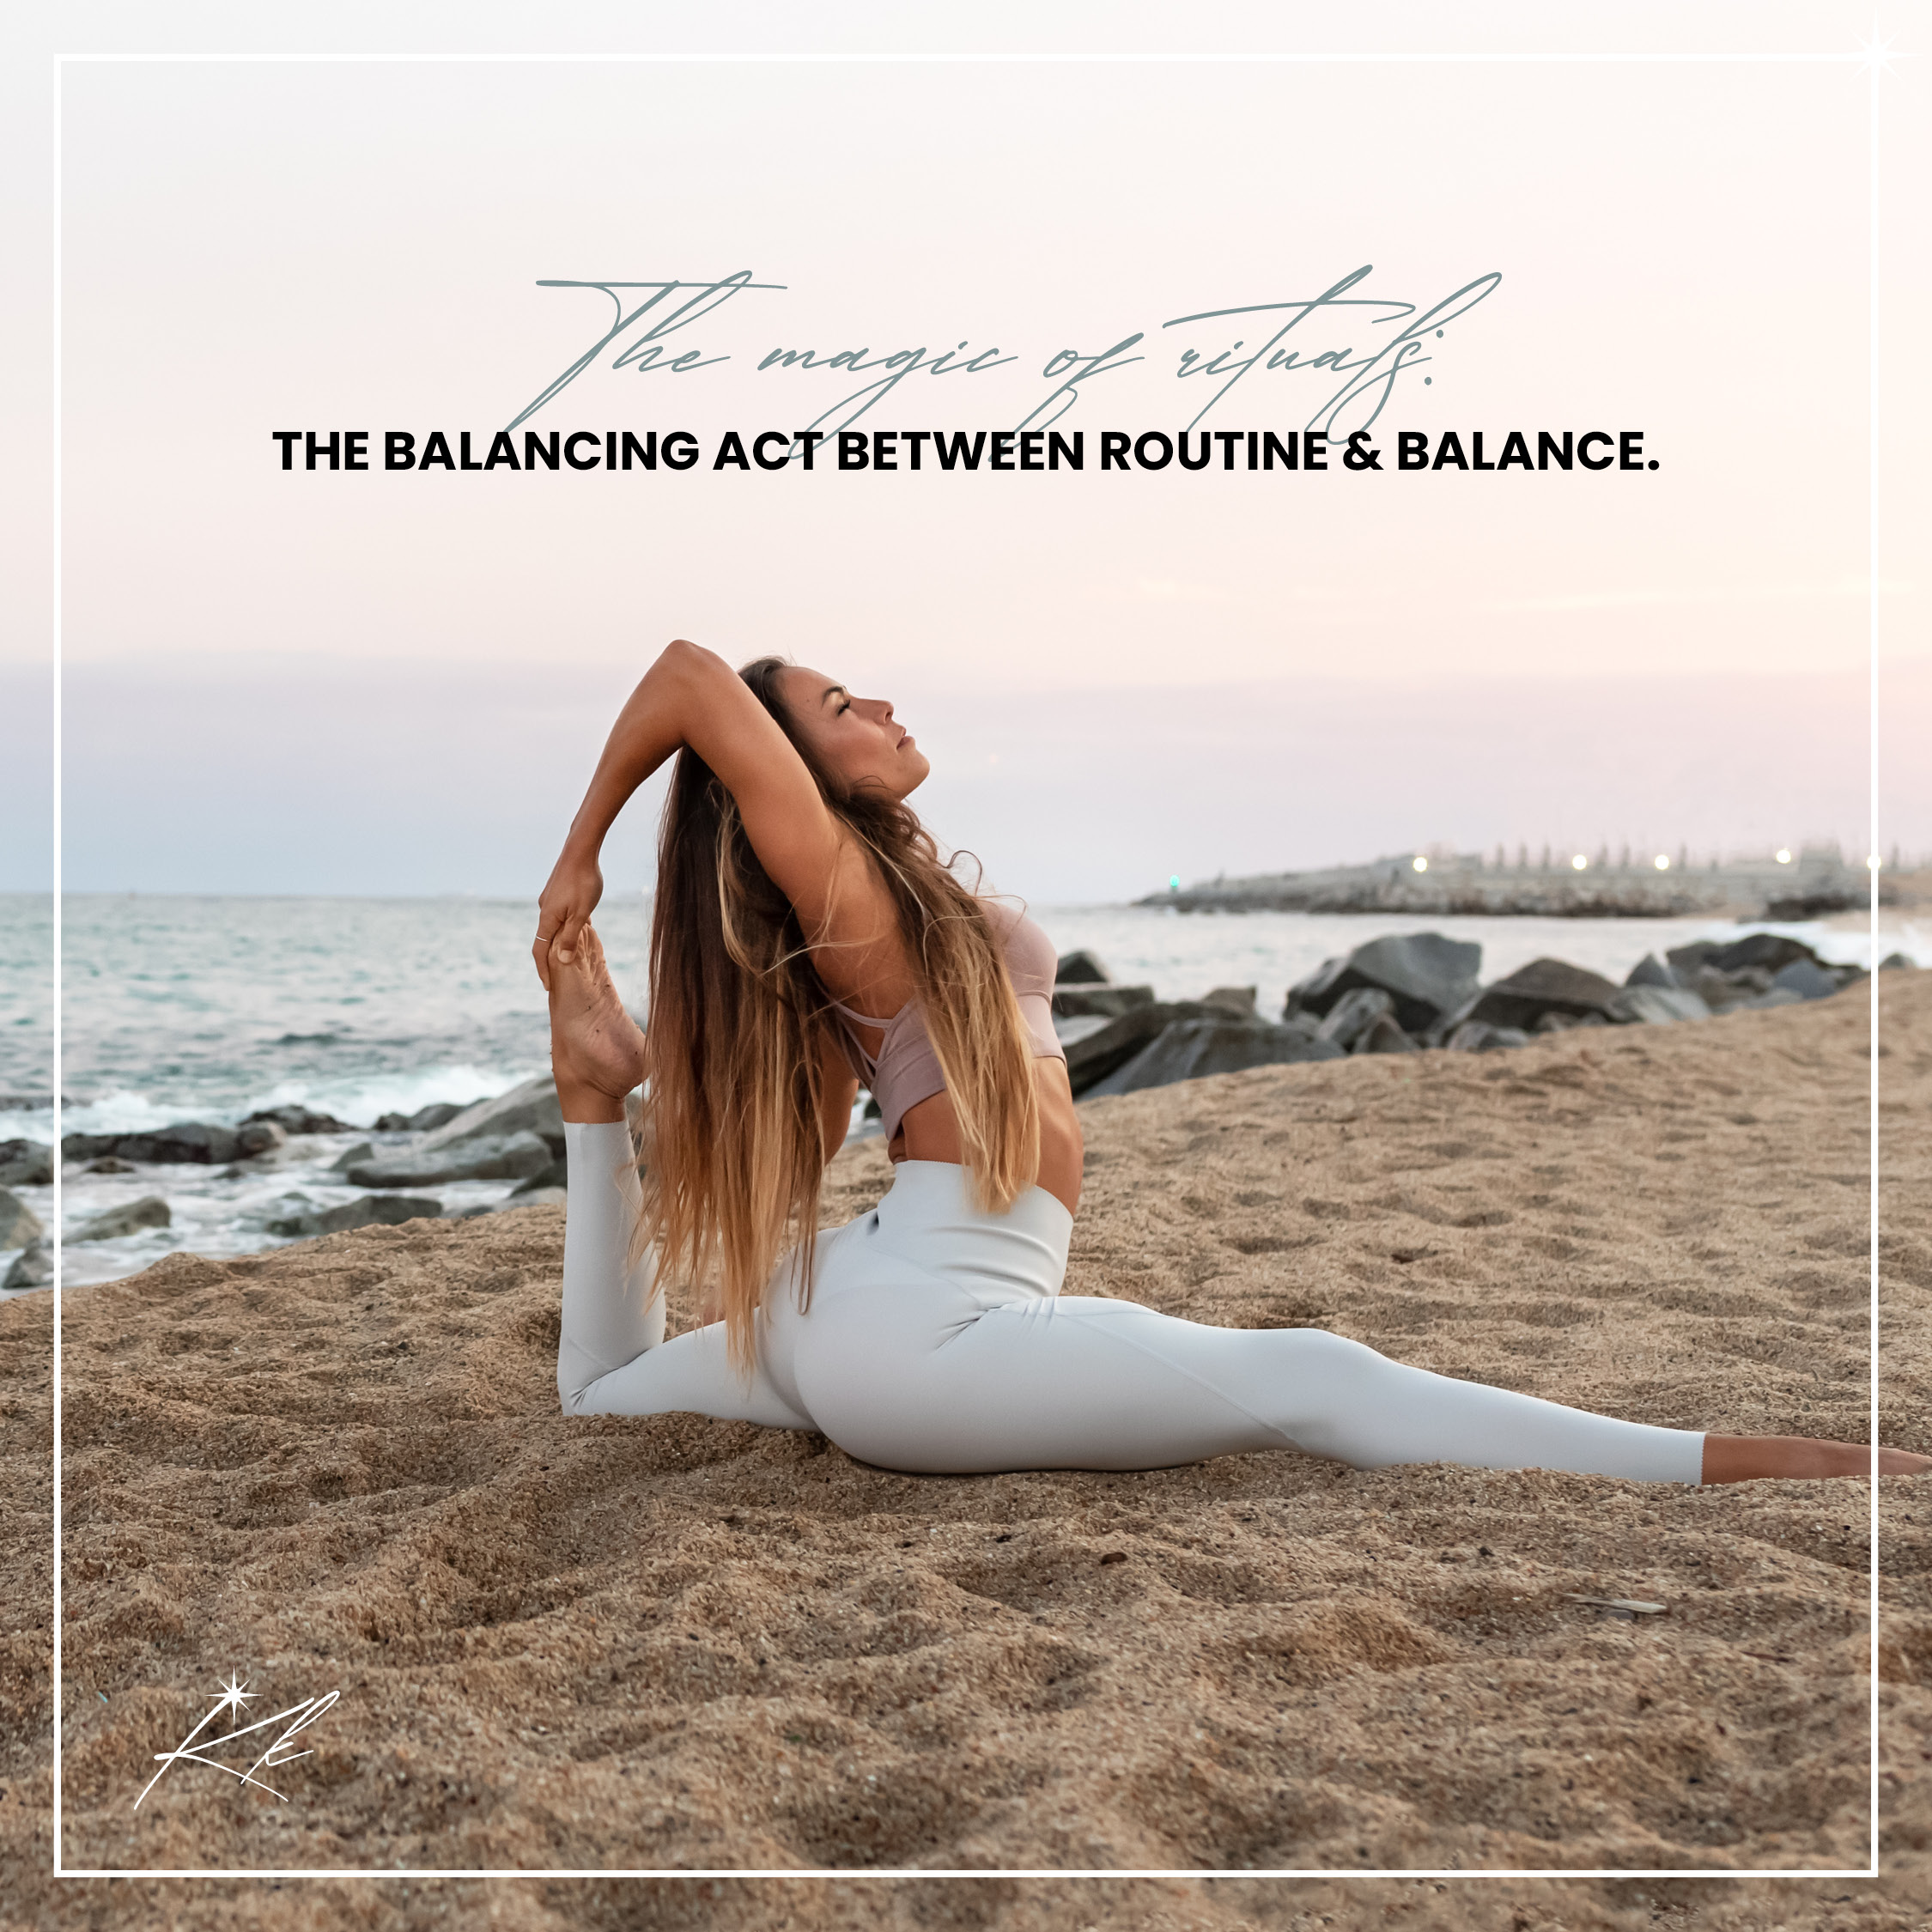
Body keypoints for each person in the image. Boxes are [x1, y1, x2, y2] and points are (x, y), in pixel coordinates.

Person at [532, 639, 1924, 1485]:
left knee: (601, 1398)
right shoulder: (841, 891)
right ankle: (1765, 1464)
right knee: (1318, 1375)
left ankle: (592, 1090)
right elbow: (685, 677)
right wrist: (582, 851)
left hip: (864, 1294)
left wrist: (625, 1082)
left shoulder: (874, 911)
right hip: (921, 1327)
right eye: (840, 702)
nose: (882, 700)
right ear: (795, 775)